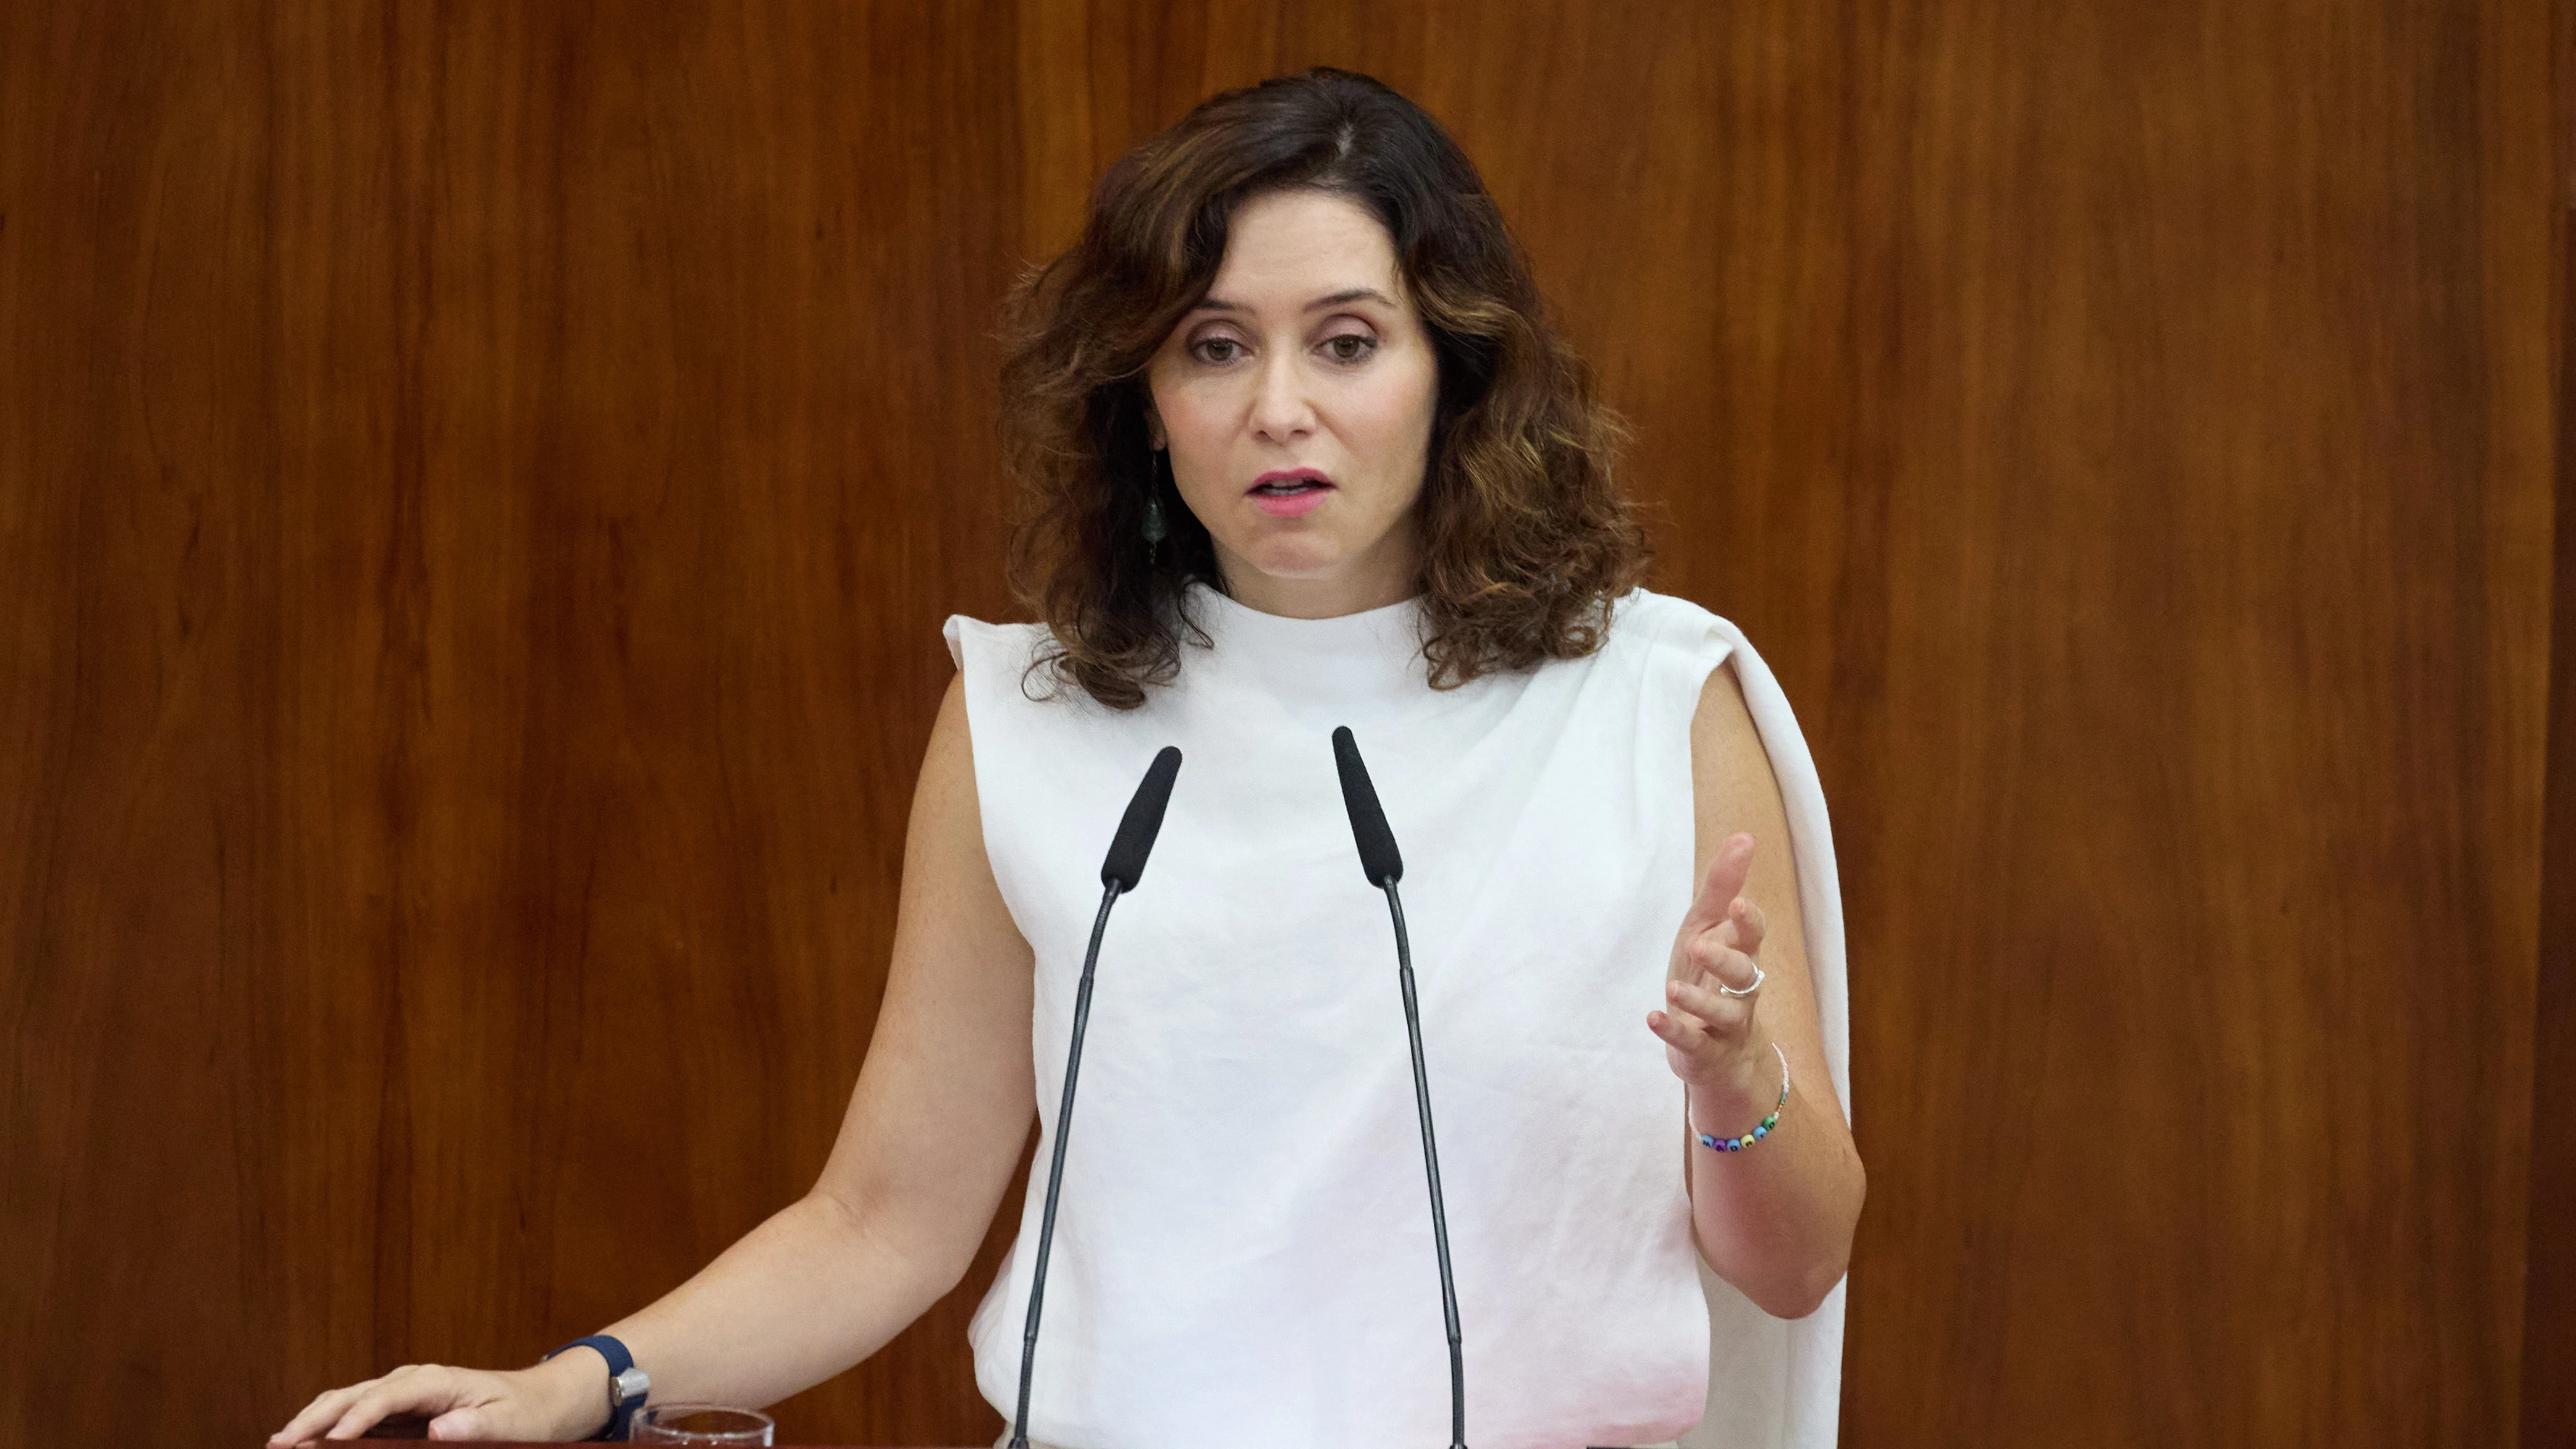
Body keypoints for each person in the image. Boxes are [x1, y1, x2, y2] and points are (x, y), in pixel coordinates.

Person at [270, 67, 1864, 1449]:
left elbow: (1797, 1261)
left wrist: (1733, 1084)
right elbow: (884, 1219)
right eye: (1217, 347)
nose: (1280, 410)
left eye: (1350, 341)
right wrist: (578, 1382)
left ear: (1455, 374)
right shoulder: (1031, 713)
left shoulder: (1649, 699)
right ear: (1145, 399)